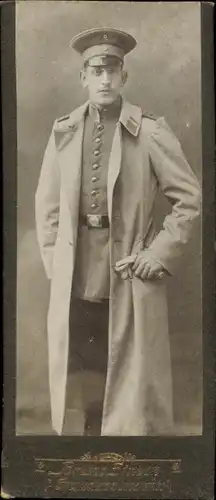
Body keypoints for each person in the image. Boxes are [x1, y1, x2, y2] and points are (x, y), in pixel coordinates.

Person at [35, 27, 201, 436]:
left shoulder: (149, 130)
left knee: (126, 376)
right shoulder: (65, 131)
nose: (105, 79)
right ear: (83, 78)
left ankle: (128, 458)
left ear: (124, 76)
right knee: (85, 365)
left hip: (127, 271)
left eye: (113, 70)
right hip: (77, 268)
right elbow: (47, 208)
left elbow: (189, 200)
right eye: (96, 71)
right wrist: (57, 265)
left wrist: (156, 255)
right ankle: (90, 448)